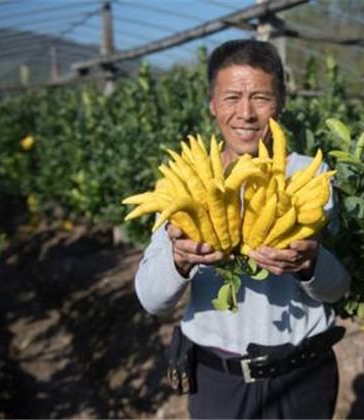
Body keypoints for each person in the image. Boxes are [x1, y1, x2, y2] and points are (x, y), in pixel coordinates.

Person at [134, 39, 351, 419]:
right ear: (212, 104)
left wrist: (309, 264)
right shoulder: (185, 181)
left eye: (261, 98)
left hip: (305, 376)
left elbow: (337, 290)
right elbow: (152, 300)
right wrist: (179, 260)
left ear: (280, 102)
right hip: (220, 381)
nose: (246, 113)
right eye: (232, 97)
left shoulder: (308, 176)